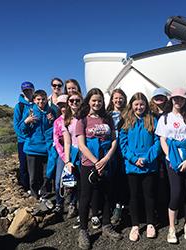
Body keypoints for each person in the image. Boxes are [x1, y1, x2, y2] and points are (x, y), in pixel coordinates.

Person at [76, 88, 122, 250]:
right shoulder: (82, 120)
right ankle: (83, 230)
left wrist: (106, 159)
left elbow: (114, 140)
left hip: (106, 162)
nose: (97, 103)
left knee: (107, 194)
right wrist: (97, 162)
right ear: (88, 101)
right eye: (94, 100)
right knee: (86, 197)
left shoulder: (107, 118)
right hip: (89, 164)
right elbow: (81, 145)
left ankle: (106, 225)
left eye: (100, 100)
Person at [155, 88, 186, 244]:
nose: (178, 101)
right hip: (172, 159)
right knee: (176, 193)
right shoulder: (165, 118)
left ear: (185, 100)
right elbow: (162, 139)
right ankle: (172, 228)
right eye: (175, 98)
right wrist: (170, 156)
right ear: (171, 100)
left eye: (181, 99)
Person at [119, 92, 161, 242]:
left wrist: (148, 158)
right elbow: (122, 144)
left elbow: (157, 141)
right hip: (132, 165)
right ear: (132, 105)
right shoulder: (126, 121)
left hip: (149, 164)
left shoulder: (152, 120)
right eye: (136, 104)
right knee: (134, 195)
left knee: (149, 195)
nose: (139, 107)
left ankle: (150, 223)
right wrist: (133, 159)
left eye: (142, 104)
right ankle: (135, 225)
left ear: (146, 105)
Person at [18, 89, 57, 199]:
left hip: (46, 149)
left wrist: (52, 121)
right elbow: (22, 130)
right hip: (32, 149)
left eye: (43, 99)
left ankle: (46, 195)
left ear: (46, 99)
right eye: (38, 99)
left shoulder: (50, 112)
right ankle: (35, 196)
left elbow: (56, 129)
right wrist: (26, 121)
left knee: (46, 174)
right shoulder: (30, 111)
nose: (41, 101)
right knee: (34, 176)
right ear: (34, 100)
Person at [52, 93, 79, 220]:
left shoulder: (75, 118)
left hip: (75, 153)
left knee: (74, 181)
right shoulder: (57, 122)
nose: (63, 108)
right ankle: (59, 203)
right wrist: (64, 157)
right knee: (58, 182)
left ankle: (73, 204)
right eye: (61, 105)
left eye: (64, 105)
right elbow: (56, 140)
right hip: (63, 155)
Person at [106, 88, 128, 225]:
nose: (118, 100)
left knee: (122, 178)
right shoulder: (107, 114)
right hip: (110, 150)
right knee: (111, 178)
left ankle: (120, 206)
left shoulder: (128, 114)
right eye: (116, 98)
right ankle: (111, 205)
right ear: (112, 99)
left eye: (121, 98)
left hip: (124, 149)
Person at [149, 87, 171, 224]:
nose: (159, 99)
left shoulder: (171, 112)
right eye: (156, 97)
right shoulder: (150, 114)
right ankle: (159, 211)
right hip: (155, 151)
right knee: (157, 182)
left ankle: (170, 210)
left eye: (161, 97)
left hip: (169, 150)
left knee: (169, 182)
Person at [13, 81, 35, 193]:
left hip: (35, 140)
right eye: (25, 90)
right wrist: (25, 136)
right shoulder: (19, 106)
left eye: (29, 90)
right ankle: (25, 187)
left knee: (36, 165)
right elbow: (16, 126)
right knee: (24, 165)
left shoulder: (37, 104)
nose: (28, 92)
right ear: (22, 91)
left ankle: (36, 187)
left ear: (33, 90)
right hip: (23, 141)